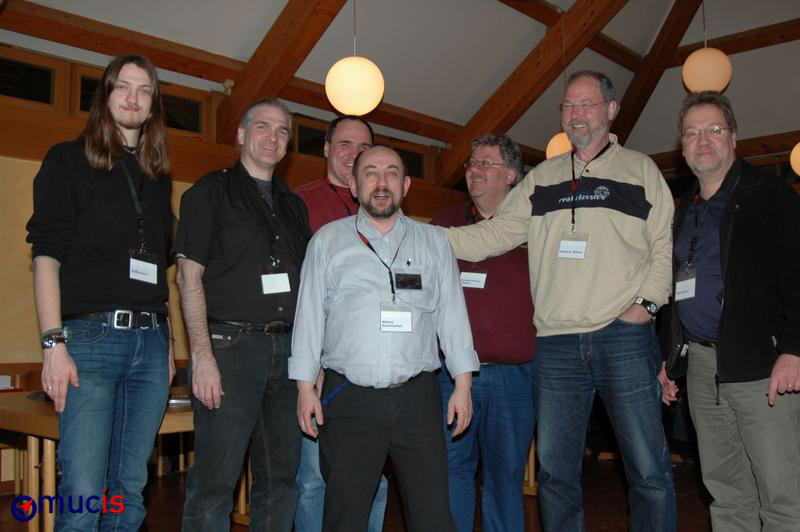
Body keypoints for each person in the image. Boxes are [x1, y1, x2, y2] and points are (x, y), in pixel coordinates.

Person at [444, 71, 676, 531]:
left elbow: (663, 246)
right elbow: (494, 234)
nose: (576, 114)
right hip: (555, 345)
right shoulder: (542, 178)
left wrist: (646, 306)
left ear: (611, 110)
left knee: (648, 470)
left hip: (622, 336)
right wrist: (419, 237)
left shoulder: (641, 169)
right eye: (568, 106)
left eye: (587, 104)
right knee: (554, 474)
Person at [289, 145, 479, 531]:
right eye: (370, 172)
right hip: (350, 400)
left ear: (405, 185)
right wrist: (305, 389)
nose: (381, 181)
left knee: (433, 516)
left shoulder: (434, 242)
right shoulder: (327, 241)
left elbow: (453, 316)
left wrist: (463, 386)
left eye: (391, 172)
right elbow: (308, 318)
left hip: (417, 401)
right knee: (345, 516)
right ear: (354, 185)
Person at [26, 53, 174, 531]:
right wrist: (53, 345)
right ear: (105, 94)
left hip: (151, 343)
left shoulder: (158, 176)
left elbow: (158, 268)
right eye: (122, 86)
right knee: (84, 495)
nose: (133, 98)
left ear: (152, 104)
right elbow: (45, 257)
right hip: (89, 341)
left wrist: (167, 343)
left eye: (144, 90)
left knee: (128, 494)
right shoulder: (66, 159)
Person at [661, 91, 800, 530]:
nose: (702, 140)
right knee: (726, 492)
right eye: (692, 133)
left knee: (782, 495)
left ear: (734, 137)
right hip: (703, 370)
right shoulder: (685, 209)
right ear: (682, 147)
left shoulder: (769, 194)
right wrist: (671, 358)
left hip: (762, 365)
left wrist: (794, 350)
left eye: (714, 130)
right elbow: (675, 289)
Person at [175, 98, 311, 532]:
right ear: (240, 134)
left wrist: (312, 360)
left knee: (281, 479)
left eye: (282, 130)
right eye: (262, 126)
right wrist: (202, 356)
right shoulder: (210, 191)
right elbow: (187, 276)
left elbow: (308, 287)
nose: (273, 137)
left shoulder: (293, 205)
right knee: (215, 482)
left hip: (289, 352)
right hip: (230, 350)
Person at [430, 134, 535, 532]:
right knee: (451, 468)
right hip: (449, 375)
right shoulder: (444, 224)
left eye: (486, 163)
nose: (474, 169)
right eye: (472, 163)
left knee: (505, 476)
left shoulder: (535, 229)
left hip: (514, 378)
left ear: (511, 175)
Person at [293, 115, 388, 532]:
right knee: (314, 479)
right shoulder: (299, 203)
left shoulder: (384, 208)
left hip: (375, 365)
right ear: (327, 148)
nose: (354, 153)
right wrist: (309, 366)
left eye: (363, 147)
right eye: (345, 144)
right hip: (320, 366)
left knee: (376, 479)